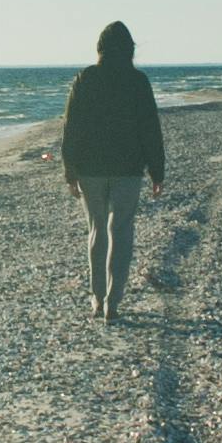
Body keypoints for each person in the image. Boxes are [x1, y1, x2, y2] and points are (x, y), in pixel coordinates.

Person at [57, 20, 167, 321]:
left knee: (96, 232)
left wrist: (70, 170)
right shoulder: (138, 81)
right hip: (129, 169)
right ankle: (112, 303)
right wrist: (157, 172)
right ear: (130, 49)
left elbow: (71, 129)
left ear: (100, 48)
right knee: (121, 232)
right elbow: (150, 130)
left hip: (91, 170)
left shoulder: (85, 79)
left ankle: (96, 297)